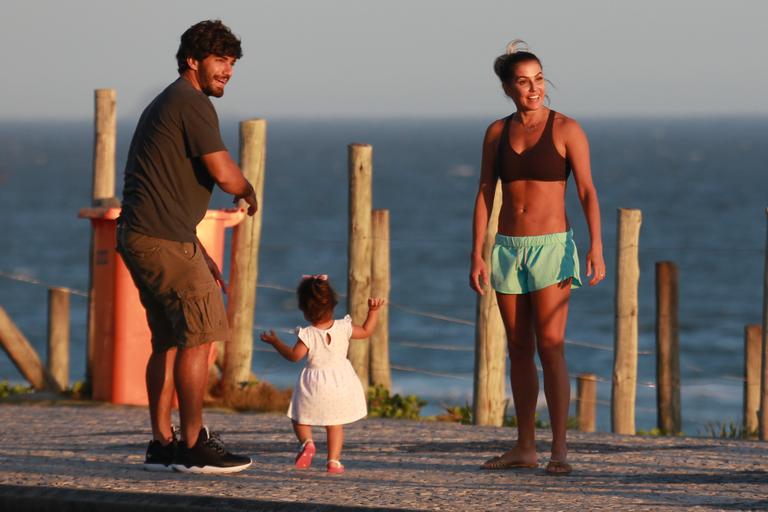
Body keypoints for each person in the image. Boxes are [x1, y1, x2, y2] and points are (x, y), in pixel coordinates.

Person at [116, 20, 257, 474]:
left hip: (145, 235)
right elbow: (224, 173)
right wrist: (248, 189)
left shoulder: (167, 104)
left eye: (232, 63)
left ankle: (163, 443)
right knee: (200, 337)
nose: (227, 71)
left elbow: (163, 188)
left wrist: (195, 247)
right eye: (220, 60)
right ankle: (194, 445)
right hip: (163, 241)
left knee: (170, 341)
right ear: (192, 61)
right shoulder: (191, 103)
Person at [469, 40, 606, 476]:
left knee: (550, 346)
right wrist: (478, 252)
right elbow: (486, 192)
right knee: (518, 347)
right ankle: (525, 446)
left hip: (552, 247)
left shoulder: (567, 129)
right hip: (508, 249)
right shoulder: (496, 132)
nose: (534, 88)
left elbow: (586, 190)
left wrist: (596, 246)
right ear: (507, 87)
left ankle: (560, 450)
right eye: (524, 82)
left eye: (539, 79)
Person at [259, 275, 384, 474]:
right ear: (333, 303)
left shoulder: (307, 334)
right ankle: (333, 462)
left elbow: (294, 356)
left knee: (299, 419)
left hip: (315, 384)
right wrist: (373, 311)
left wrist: (276, 342)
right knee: (334, 425)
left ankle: (307, 442)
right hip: (341, 382)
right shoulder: (345, 327)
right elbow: (367, 331)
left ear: (305, 312)